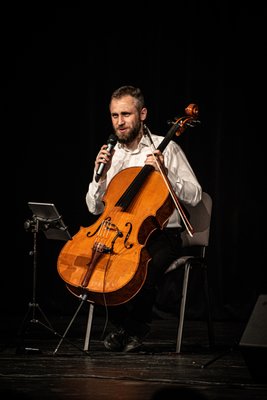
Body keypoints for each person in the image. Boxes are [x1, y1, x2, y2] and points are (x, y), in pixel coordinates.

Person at [85, 85, 202, 352]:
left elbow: (195, 196)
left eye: (125, 114)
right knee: (100, 265)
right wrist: (99, 177)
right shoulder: (111, 156)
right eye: (114, 115)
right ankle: (123, 328)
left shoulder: (167, 149)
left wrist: (166, 173)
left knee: (140, 267)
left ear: (143, 114)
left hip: (161, 232)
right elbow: (93, 208)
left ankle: (132, 328)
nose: (120, 122)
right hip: (119, 231)